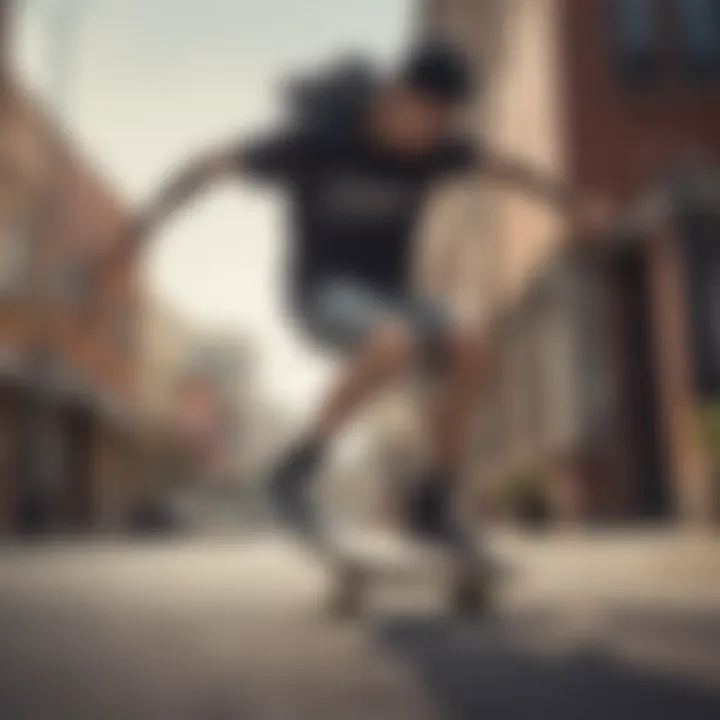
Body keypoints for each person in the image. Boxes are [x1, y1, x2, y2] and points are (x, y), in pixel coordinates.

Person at [116, 41, 609, 553]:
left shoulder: (437, 148)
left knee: (474, 345)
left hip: (393, 298)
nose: (434, 137)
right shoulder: (319, 140)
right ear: (395, 96)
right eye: (428, 119)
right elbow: (207, 167)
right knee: (392, 341)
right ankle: (294, 471)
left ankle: (433, 503)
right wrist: (135, 235)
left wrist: (573, 205)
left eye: (445, 124)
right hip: (319, 294)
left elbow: (508, 169)